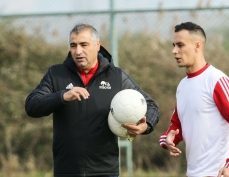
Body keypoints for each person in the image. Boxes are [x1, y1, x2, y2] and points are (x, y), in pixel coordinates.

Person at [25, 23, 160, 177]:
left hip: (105, 171)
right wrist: (62, 96)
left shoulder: (116, 77)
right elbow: (32, 105)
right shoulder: (56, 74)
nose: (78, 51)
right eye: (73, 45)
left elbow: (151, 106)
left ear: (97, 45)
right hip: (66, 170)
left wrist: (145, 125)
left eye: (84, 45)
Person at [159, 22, 229, 177]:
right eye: (173, 45)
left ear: (197, 46)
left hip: (216, 173)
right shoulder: (182, 86)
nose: (174, 51)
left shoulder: (216, 80)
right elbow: (177, 125)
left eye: (180, 45)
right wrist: (168, 138)